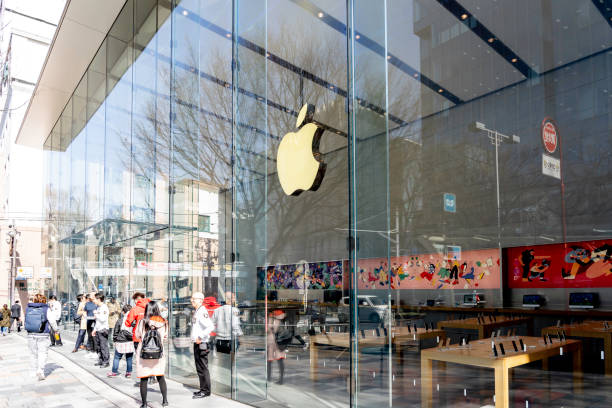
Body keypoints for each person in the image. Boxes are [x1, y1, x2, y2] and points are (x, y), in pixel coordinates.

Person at [134, 301, 168, 407]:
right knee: (160, 377)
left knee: (144, 379)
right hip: (158, 354)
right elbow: (165, 337)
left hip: (144, 354)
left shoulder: (142, 322)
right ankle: (165, 401)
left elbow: (138, 335)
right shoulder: (164, 322)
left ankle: (144, 404)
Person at [25, 294, 59, 380]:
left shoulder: (28, 308)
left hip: (31, 334)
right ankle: (40, 370)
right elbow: (52, 321)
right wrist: (56, 330)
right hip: (43, 334)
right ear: (44, 300)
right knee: (42, 353)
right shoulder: (46, 309)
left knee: (33, 353)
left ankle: (32, 372)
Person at [190, 292, 214, 399]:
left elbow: (210, 327)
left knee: (203, 368)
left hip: (202, 343)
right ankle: (203, 389)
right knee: (199, 368)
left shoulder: (202, 311)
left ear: (200, 300)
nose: (192, 300)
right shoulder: (197, 311)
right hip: (197, 343)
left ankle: (206, 391)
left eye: (193, 299)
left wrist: (200, 337)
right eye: (192, 299)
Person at [212, 291, 243, 358]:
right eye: (234, 298)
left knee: (222, 361)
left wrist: (217, 331)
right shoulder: (235, 310)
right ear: (231, 299)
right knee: (231, 362)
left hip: (219, 339)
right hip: (231, 339)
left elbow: (211, 324)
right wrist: (240, 335)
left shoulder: (217, 310)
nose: (235, 299)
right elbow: (235, 325)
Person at [108, 304, 134, 378]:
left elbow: (116, 331)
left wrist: (115, 340)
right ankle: (128, 373)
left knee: (117, 357)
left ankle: (114, 372)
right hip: (130, 341)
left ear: (123, 312)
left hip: (121, 341)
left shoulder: (120, 321)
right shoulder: (133, 320)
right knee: (129, 358)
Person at [267, 309, 287, 385]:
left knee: (270, 361)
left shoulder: (272, 320)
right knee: (279, 361)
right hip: (278, 342)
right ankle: (280, 379)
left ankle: (269, 378)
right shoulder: (281, 321)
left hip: (273, 342)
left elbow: (268, 330)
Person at [92, 293, 110, 368]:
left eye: (95, 299)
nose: (94, 301)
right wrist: (94, 329)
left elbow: (103, 319)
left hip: (103, 329)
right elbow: (98, 321)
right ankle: (101, 360)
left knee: (103, 346)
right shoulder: (98, 307)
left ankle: (106, 361)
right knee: (98, 346)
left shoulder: (104, 307)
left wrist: (96, 314)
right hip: (98, 329)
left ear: (99, 299)